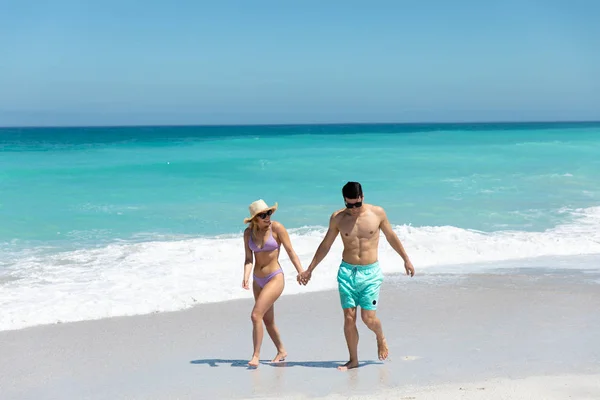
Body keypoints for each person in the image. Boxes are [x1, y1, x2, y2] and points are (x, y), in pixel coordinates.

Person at [298, 182, 415, 371]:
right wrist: (309, 269)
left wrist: (406, 259)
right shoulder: (337, 218)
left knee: (368, 318)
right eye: (349, 205)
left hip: (370, 273)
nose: (353, 209)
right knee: (349, 318)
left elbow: (391, 236)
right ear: (344, 201)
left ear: (362, 197)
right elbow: (326, 244)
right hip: (347, 273)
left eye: (356, 204)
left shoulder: (377, 214)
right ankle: (353, 360)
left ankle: (380, 337)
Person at [242, 199, 304, 367]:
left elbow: (291, 251)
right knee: (267, 320)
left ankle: (256, 355)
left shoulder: (277, 228)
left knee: (256, 315)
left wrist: (301, 271)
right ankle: (281, 350)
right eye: (263, 215)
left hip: (274, 277)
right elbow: (249, 259)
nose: (267, 217)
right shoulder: (248, 234)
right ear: (255, 219)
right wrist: (246, 276)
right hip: (257, 280)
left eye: (268, 213)